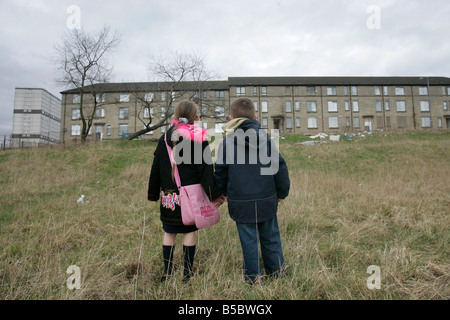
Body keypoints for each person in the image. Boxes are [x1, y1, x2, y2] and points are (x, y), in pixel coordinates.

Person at [214, 97, 290, 284]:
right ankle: (277, 272)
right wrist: (282, 192)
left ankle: (254, 278)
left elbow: (221, 171)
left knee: (248, 242)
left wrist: (221, 193)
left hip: (240, 201)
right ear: (255, 117)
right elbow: (279, 166)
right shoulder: (266, 139)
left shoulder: (226, 142)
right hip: (266, 198)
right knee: (271, 237)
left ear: (231, 118)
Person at [148, 100, 221, 281]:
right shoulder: (198, 139)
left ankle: (167, 272)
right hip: (190, 198)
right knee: (189, 232)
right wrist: (216, 195)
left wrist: (152, 193)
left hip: (169, 197)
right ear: (196, 118)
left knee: (169, 232)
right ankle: (187, 274)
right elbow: (205, 171)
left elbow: (155, 167)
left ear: (174, 117)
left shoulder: (164, 138)